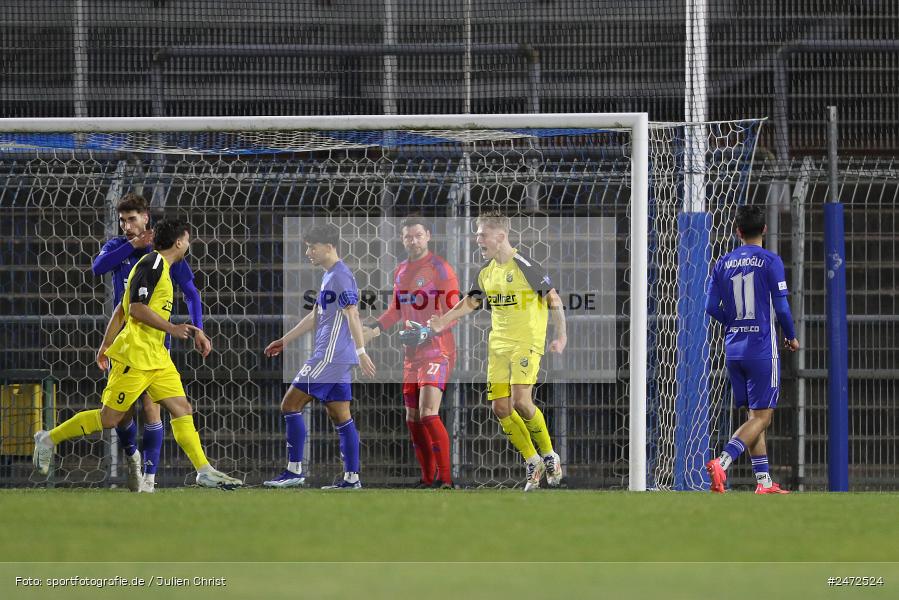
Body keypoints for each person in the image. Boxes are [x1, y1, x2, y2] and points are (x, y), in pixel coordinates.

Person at [33, 219, 241, 490]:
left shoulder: (162, 268)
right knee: (110, 419)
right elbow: (135, 309)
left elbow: (121, 308)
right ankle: (48, 439)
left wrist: (193, 330)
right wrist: (172, 328)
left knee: (182, 408)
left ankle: (204, 470)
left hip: (157, 358)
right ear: (179, 242)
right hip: (135, 357)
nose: (189, 244)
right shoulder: (152, 264)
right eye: (188, 239)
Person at [429, 211, 566, 491]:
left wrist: (560, 335)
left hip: (526, 342)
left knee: (520, 402)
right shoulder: (487, 272)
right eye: (477, 233)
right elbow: (470, 302)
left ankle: (550, 455)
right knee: (500, 407)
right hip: (498, 345)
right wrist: (442, 321)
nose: (477, 239)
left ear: (500, 236)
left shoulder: (523, 265)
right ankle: (532, 461)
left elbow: (553, 298)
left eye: (482, 234)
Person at [91, 192, 208, 493]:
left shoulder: (162, 253)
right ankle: (132, 455)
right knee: (121, 411)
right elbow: (98, 267)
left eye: (132, 220)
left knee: (153, 405)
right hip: (124, 336)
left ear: (146, 218)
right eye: (123, 221)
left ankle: (149, 480)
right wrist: (132, 245)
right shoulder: (119, 246)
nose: (127, 226)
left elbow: (192, 293)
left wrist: (199, 329)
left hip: (155, 339)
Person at [263, 223, 376, 490]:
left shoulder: (341, 276)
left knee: (290, 405)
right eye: (307, 248)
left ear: (329, 246)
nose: (309, 253)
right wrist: (285, 340)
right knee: (341, 416)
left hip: (329, 357)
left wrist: (361, 352)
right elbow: (314, 316)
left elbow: (352, 313)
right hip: (337, 359)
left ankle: (294, 471)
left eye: (313, 247)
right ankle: (352, 478)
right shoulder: (329, 276)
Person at [704, 204, 798, 494]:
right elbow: (781, 307)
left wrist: (731, 323)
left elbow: (710, 307)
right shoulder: (770, 261)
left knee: (754, 417)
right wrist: (791, 336)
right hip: (761, 348)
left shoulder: (722, 263)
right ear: (764, 230)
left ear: (738, 232)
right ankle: (723, 462)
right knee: (763, 417)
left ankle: (763, 482)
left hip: (734, 348)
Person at [362, 216, 459, 489]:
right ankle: (428, 479)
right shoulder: (402, 270)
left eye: (417, 235)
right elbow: (394, 310)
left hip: (438, 349)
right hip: (411, 354)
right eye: (408, 236)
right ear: (402, 239)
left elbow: (454, 312)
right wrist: (375, 329)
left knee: (429, 413)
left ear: (428, 235)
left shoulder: (441, 268)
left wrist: (429, 331)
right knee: (412, 418)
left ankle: (447, 481)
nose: (413, 241)